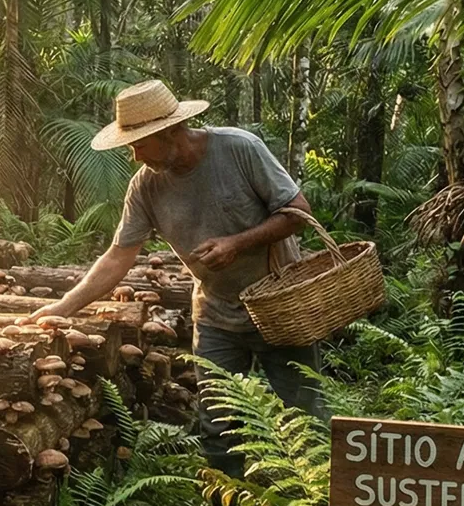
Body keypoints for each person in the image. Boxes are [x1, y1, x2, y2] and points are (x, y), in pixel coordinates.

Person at [24, 79, 328, 476]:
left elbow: (298, 213)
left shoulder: (240, 149)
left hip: (279, 308)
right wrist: (63, 307)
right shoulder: (146, 187)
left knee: (306, 416)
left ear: (167, 132)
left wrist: (237, 243)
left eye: (139, 145)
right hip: (217, 317)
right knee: (219, 428)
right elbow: (118, 257)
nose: (134, 156)